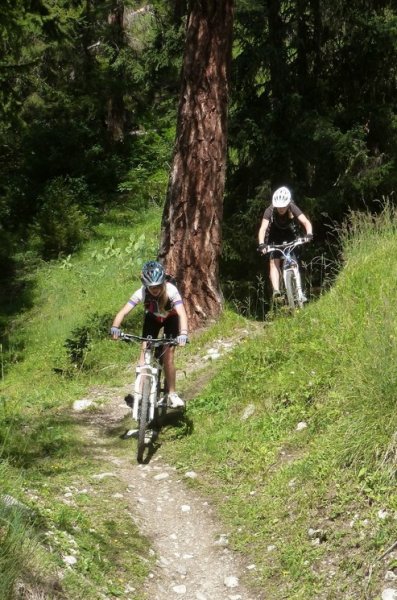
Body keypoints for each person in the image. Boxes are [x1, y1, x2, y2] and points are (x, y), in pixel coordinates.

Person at [110, 260, 188, 408]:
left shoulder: (171, 290)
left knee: (168, 356)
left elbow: (182, 314)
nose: (156, 290)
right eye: (152, 287)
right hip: (152, 319)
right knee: (144, 351)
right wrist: (115, 327)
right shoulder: (141, 293)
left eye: (158, 286)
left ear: (163, 283)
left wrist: (183, 333)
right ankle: (140, 392)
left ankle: (171, 393)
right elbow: (123, 312)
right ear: (146, 285)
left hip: (171, 319)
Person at [257, 186, 313, 300]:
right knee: (274, 263)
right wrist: (262, 244)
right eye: (279, 206)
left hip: (290, 236)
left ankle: (299, 292)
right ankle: (277, 291)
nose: (281, 209)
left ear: (288, 204)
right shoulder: (270, 210)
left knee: (294, 262)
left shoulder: (293, 207)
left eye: (283, 206)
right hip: (274, 237)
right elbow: (263, 228)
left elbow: (306, 222)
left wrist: (309, 234)